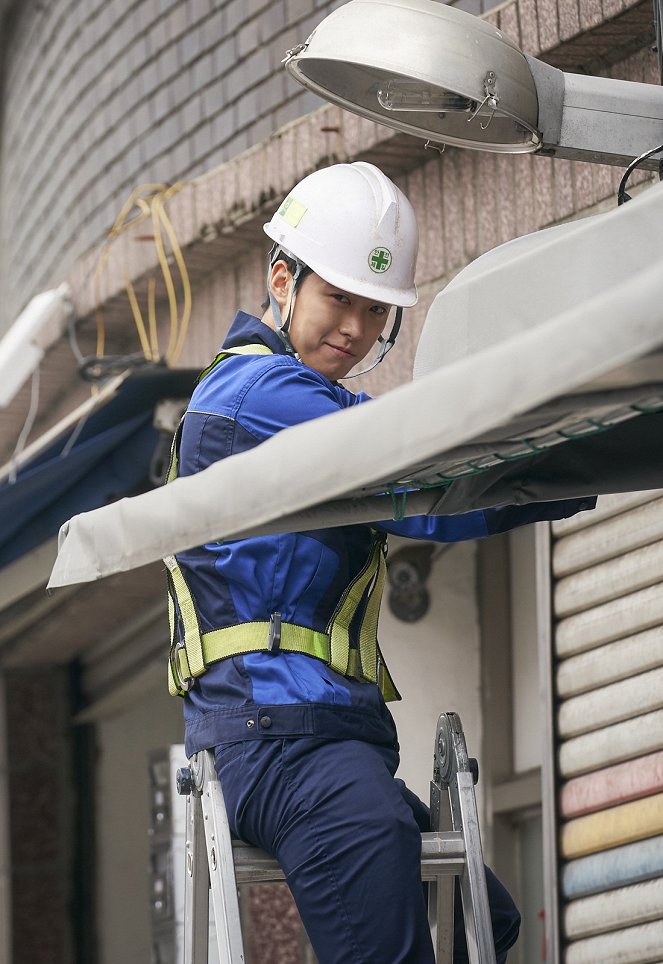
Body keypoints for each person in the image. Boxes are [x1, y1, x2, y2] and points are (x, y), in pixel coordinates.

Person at [166, 162, 595, 963]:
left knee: (488, 920)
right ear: (282, 280)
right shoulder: (251, 399)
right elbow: (424, 478)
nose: (355, 329)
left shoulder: (303, 405)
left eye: (374, 312)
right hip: (275, 743)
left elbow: (440, 496)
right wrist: (577, 454)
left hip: (329, 742)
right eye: (339, 300)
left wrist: (574, 474)